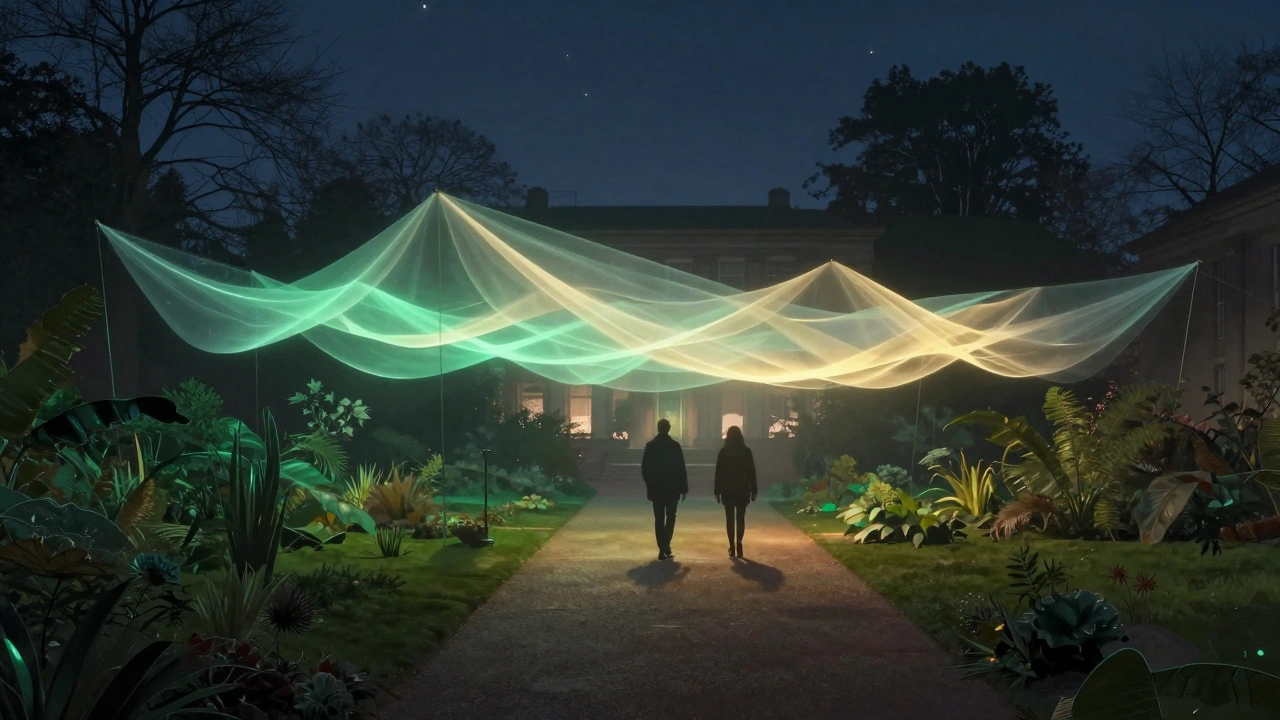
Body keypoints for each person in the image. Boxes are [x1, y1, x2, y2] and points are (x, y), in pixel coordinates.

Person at [641, 418, 688, 560]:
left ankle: (662, 548)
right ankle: (665, 544)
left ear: (658, 428)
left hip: (656, 488)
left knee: (659, 519)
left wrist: (650, 483)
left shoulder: (651, 446)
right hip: (672, 488)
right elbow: (681, 468)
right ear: (669, 428)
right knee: (671, 517)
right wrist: (683, 488)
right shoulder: (675, 446)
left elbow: (645, 468)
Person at [714, 425, 757, 558]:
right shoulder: (746, 451)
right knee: (740, 518)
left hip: (728, 488)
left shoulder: (724, 452)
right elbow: (751, 471)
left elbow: (719, 473)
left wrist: (717, 491)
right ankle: (739, 543)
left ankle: (732, 547)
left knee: (730, 519)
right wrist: (753, 489)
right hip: (742, 488)